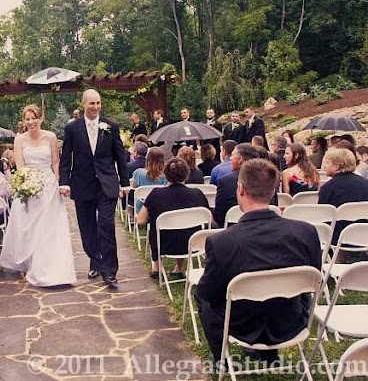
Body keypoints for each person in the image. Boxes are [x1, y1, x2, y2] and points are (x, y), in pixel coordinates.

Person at [196, 159, 321, 363]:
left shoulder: (221, 242)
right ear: (273, 192)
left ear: (241, 189)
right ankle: (269, 354)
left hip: (241, 325)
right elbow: (315, 278)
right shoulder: (306, 231)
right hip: (291, 322)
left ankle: (221, 359)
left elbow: (207, 293)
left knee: (203, 297)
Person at [1, 104, 77, 287]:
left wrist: (60, 183)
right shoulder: (19, 139)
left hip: (49, 185)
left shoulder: (50, 137)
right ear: (24, 121)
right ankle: (29, 261)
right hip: (29, 184)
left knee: (49, 226)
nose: (31, 122)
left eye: (34, 118)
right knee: (29, 225)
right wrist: (26, 184)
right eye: (27, 119)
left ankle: (51, 263)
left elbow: (56, 163)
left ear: (41, 119)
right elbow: (19, 166)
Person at [59, 90, 128, 287]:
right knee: (87, 227)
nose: (95, 107)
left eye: (98, 103)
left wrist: (124, 183)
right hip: (82, 184)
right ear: (83, 104)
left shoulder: (111, 127)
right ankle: (95, 260)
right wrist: (64, 181)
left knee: (106, 225)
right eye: (91, 103)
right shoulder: (72, 128)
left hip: (107, 184)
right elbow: (66, 158)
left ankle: (109, 271)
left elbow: (120, 157)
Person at [137, 158, 209, 279]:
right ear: (186, 175)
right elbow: (209, 220)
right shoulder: (197, 194)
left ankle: (157, 266)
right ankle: (179, 267)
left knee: (154, 225)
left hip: (164, 244)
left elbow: (140, 221)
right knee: (183, 227)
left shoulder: (156, 194)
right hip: (193, 244)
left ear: (165, 175)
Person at [318, 148, 368, 244]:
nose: (325, 167)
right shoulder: (365, 183)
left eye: (328, 163)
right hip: (364, 235)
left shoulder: (328, 188)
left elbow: (323, 218)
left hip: (338, 238)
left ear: (336, 167)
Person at [214, 143, 260, 227]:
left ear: (240, 160)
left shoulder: (225, 182)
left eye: (232, 155)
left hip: (233, 230)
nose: (230, 158)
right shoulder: (267, 178)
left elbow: (219, 216)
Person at [130, 147, 167, 214]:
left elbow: (133, 187)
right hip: (161, 208)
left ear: (148, 159)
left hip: (142, 210)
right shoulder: (167, 175)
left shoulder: (138, 173)